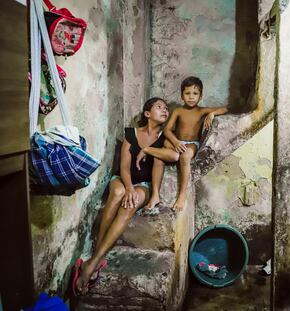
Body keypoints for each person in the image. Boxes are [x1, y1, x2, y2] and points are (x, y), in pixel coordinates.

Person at [73, 97, 169, 295]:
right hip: (123, 179)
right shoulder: (130, 134)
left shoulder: (164, 138)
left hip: (144, 185)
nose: (165, 110)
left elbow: (159, 166)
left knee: (130, 203)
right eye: (159, 107)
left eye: (166, 108)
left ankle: (92, 263)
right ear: (147, 113)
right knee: (117, 193)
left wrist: (153, 194)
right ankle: (97, 259)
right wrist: (128, 187)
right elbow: (124, 165)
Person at [136, 76, 228, 211]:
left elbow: (226, 109)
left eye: (195, 94)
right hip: (176, 142)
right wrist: (175, 141)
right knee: (158, 157)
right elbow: (167, 130)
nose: (191, 97)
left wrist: (212, 114)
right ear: (182, 95)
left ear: (201, 96)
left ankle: (182, 194)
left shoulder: (201, 111)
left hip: (191, 144)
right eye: (187, 93)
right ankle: (155, 194)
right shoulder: (178, 110)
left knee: (184, 156)